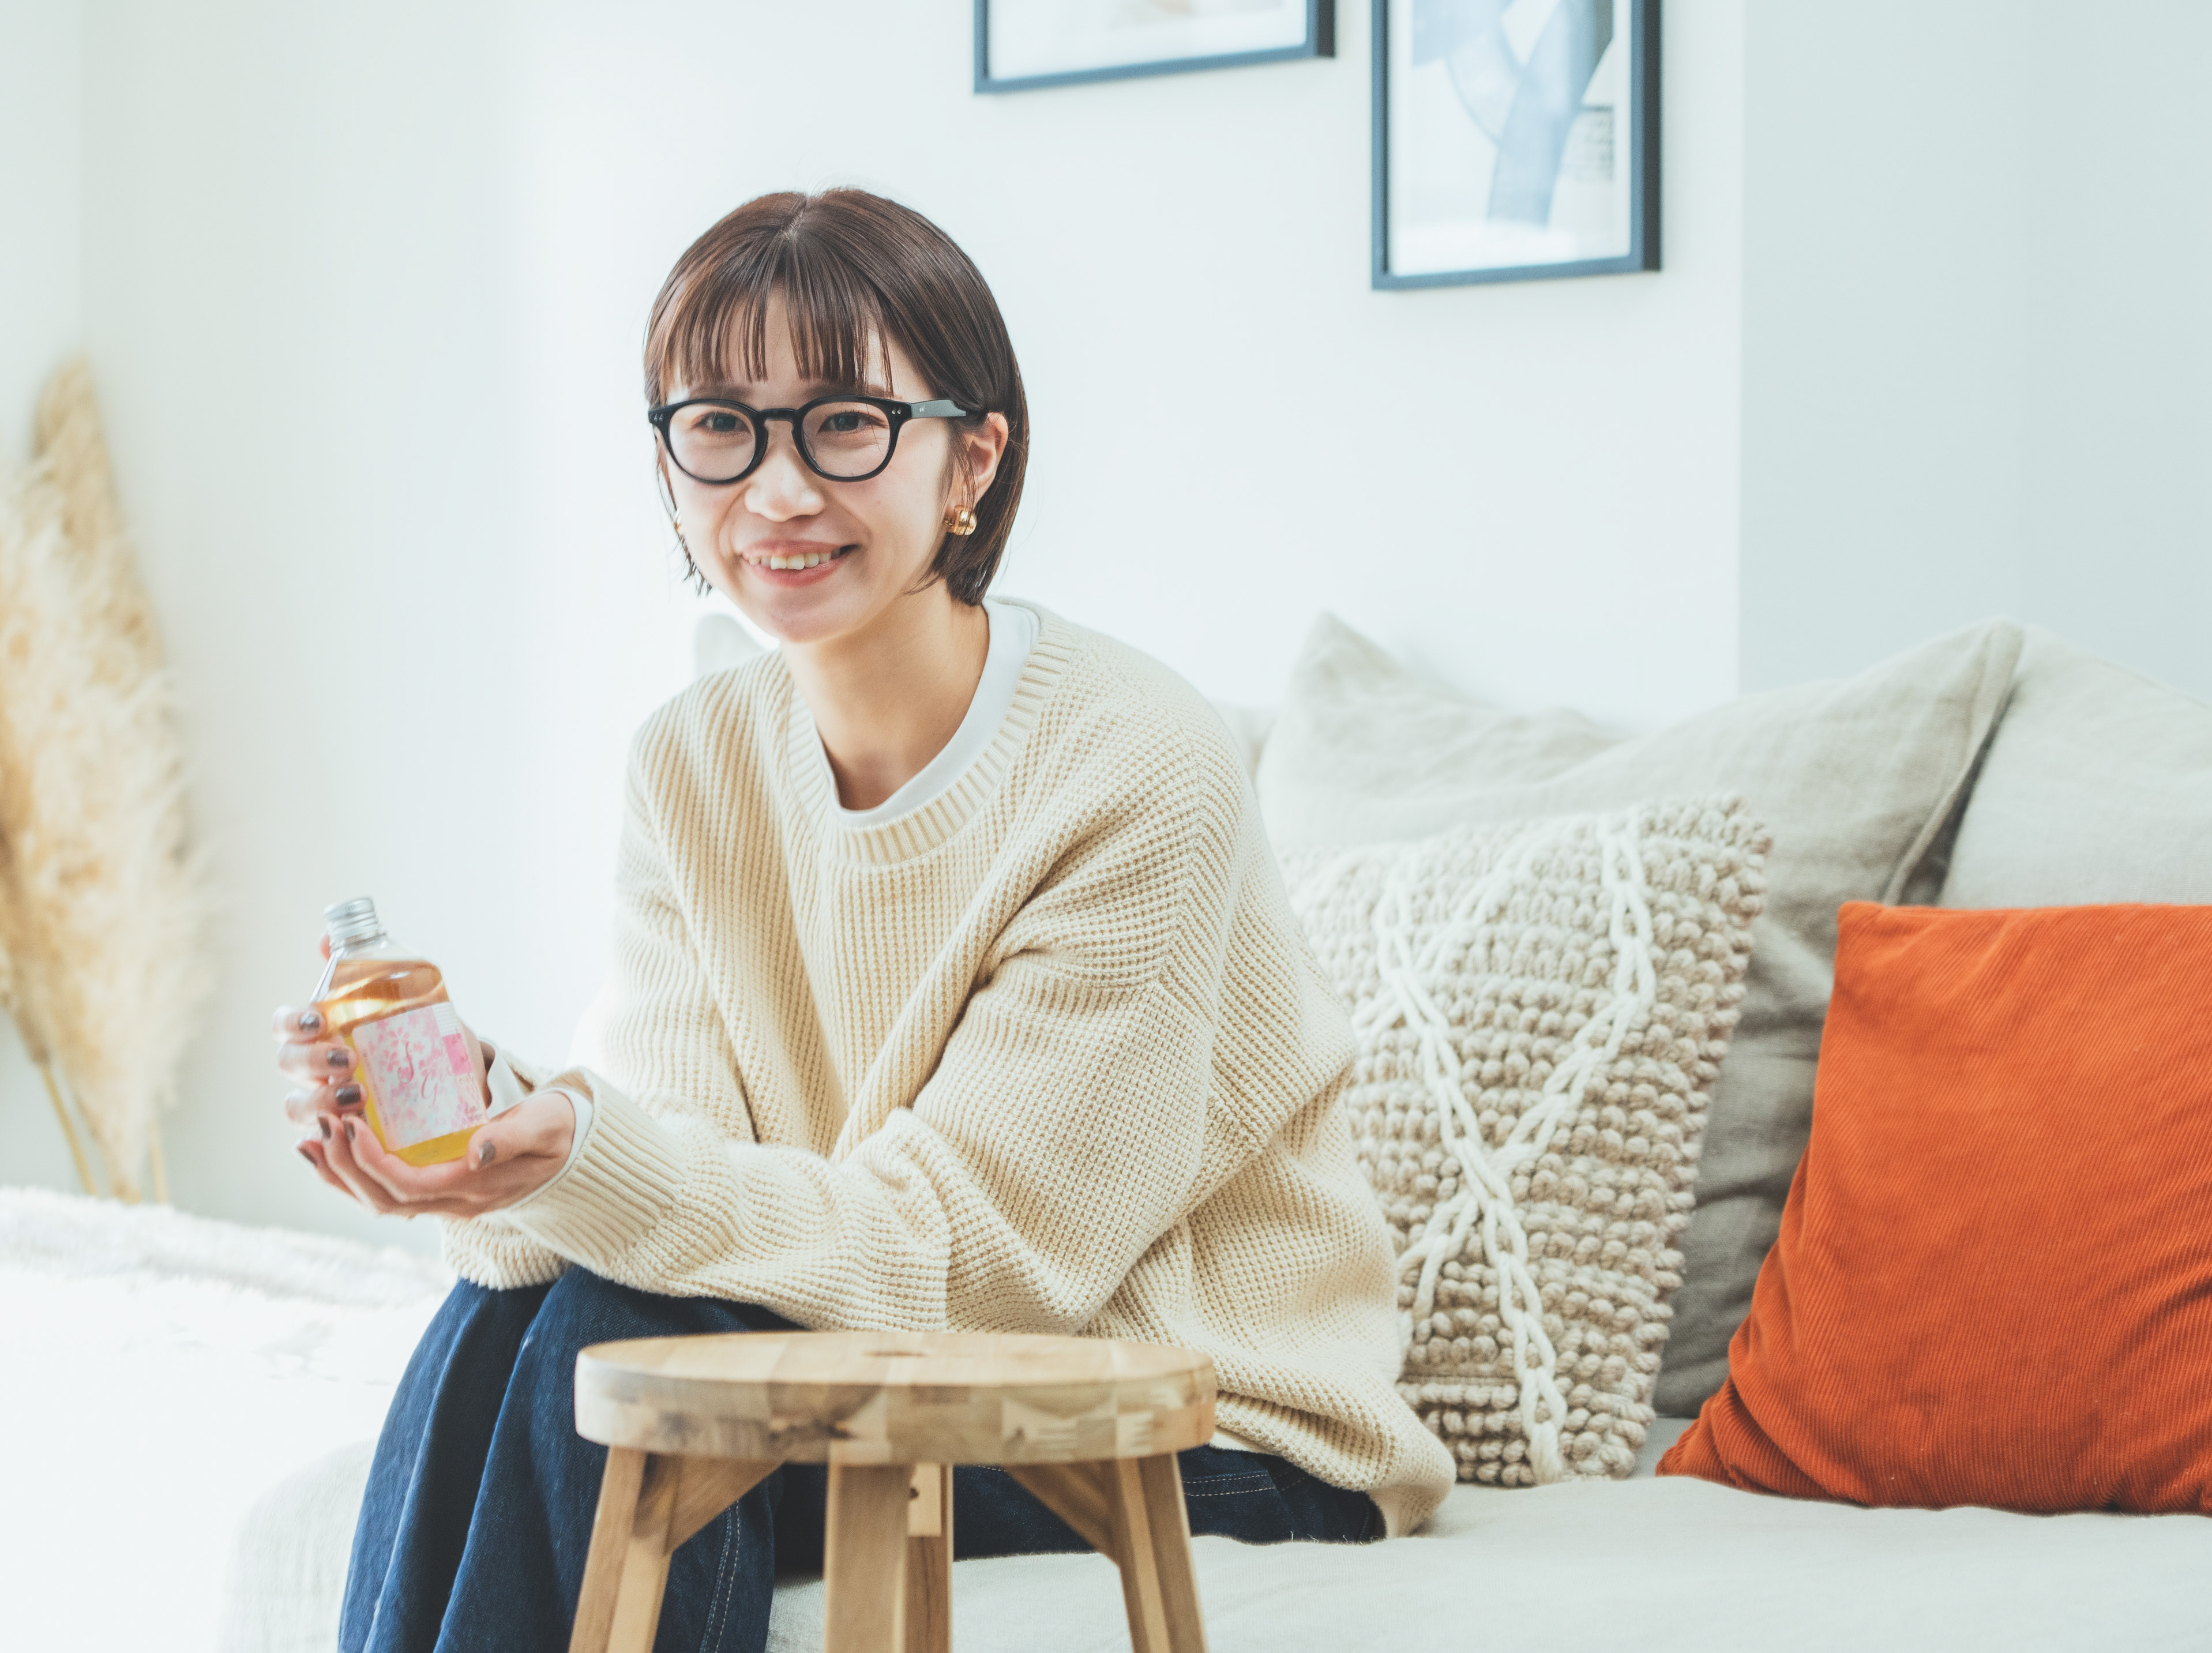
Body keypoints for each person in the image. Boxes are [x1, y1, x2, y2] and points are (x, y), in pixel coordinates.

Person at [272, 187, 1452, 1652]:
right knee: (506, 1327)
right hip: (867, 1344)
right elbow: (672, 1172)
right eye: (719, 426)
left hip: (1202, 1410)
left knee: (606, 1350)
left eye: (843, 423)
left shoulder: (1137, 762)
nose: (773, 491)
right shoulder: (692, 762)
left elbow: (972, 1263)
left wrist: (581, 1157)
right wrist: (485, 1144)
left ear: (973, 456)